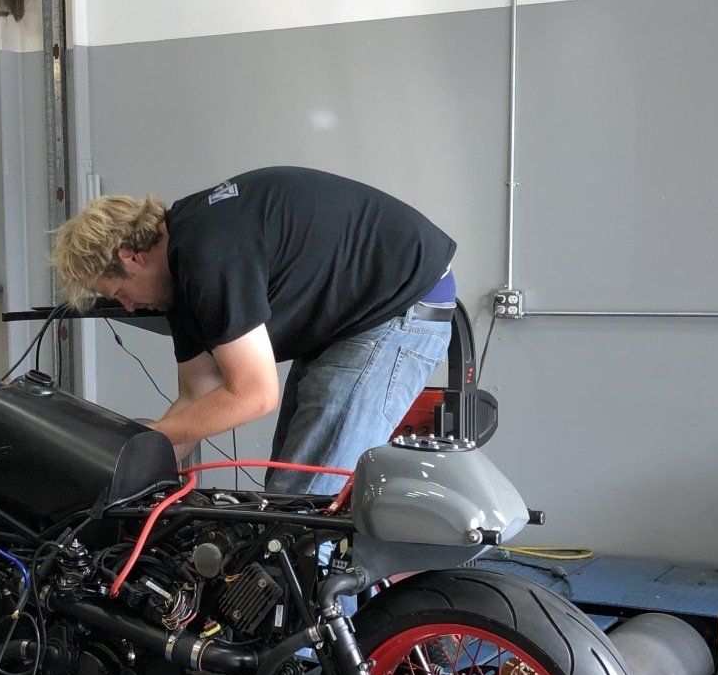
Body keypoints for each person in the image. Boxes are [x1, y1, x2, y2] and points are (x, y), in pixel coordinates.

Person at [50, 165, 457, 494]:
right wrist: (123, 470)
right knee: (286, 495)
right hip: (352, 320)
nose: (128, 306)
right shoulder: (180, 270)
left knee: (299, 508)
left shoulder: (207, 254)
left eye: (119, 292)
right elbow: (198, 394)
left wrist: (150, 439)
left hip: (399, 307)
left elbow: (254, 395)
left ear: (131, 257)